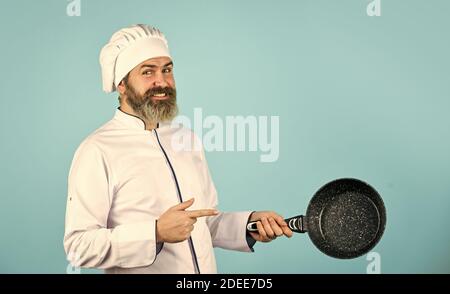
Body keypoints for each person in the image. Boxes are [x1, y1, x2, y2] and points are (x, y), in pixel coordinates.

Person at [63, 24, 292, 274]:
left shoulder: (187, 139)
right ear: (121, 84)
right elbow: (78, 246)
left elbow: (204, 224)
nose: (161, 81)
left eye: (167, 70)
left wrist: (249, 224)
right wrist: (156, 232)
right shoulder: (97, 150)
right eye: (147, 72)